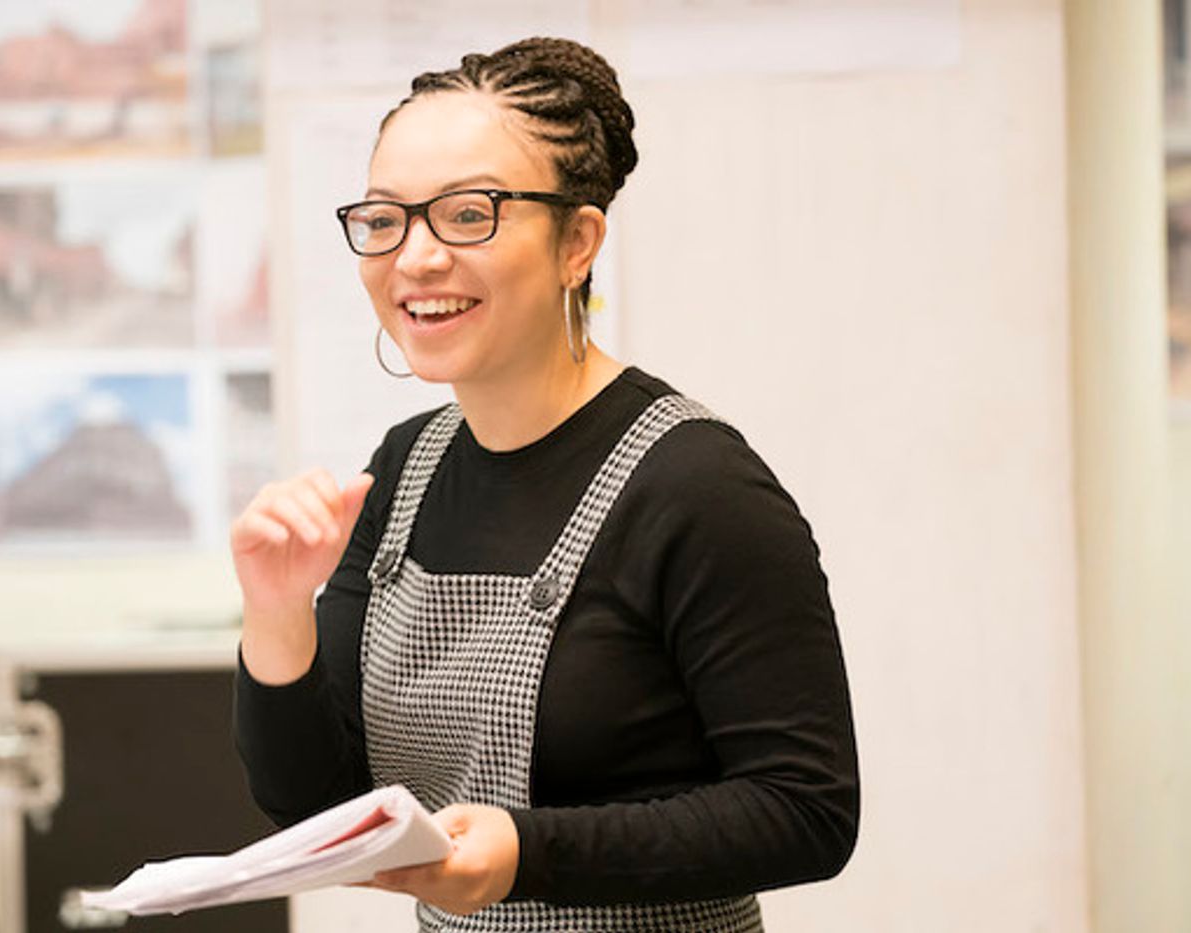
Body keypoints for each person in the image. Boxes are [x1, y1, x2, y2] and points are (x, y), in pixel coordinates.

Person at [231, 36, 859, 933]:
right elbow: (317, 805)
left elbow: (809, 809)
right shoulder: (406, 467)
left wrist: (528, 853)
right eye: (384, 218)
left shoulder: (698, 485)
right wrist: (275, 613)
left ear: (578, 241)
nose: (414, 259)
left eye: (468, 213)